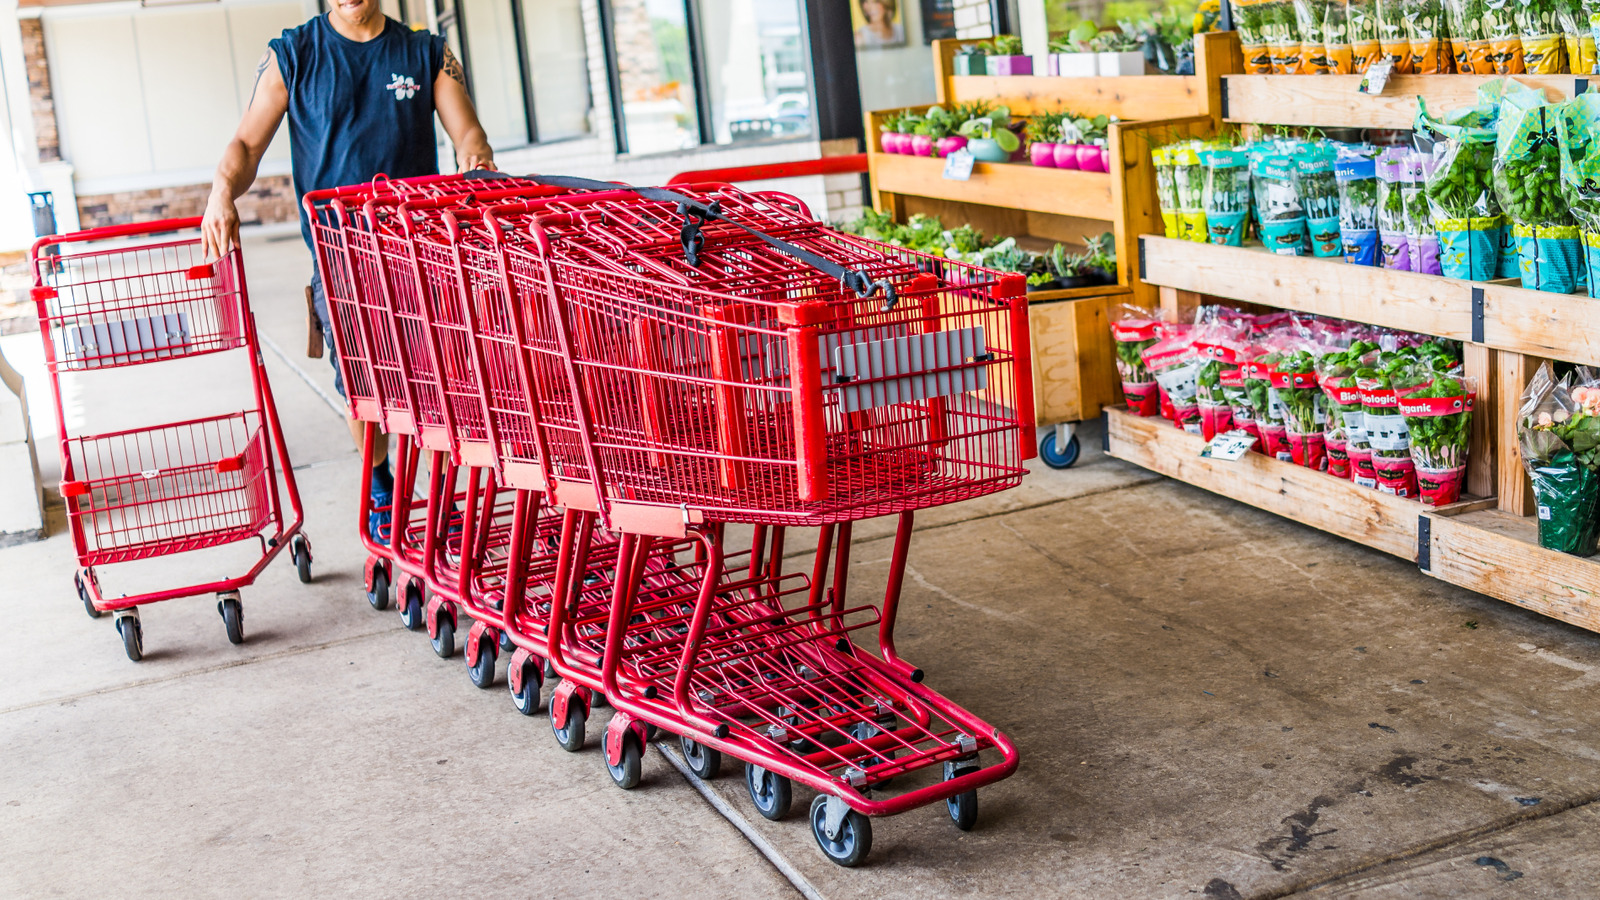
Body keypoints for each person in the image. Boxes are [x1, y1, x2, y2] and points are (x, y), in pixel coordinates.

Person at [200, 0, 495, 541]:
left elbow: (468, 132)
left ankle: (437, 491)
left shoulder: (425, 53)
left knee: (439, 387)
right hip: (341, 265)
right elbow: (246, 143)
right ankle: (383, 488)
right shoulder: (293, 55)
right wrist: (222, 191)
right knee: (365, 388)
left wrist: (475, 160)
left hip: (419, 255)